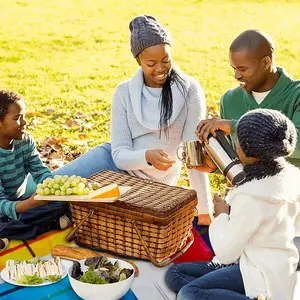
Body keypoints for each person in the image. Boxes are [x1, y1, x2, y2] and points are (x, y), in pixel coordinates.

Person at [51, 15, 213, 224]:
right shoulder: (125, 92)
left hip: (149, 186)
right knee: (49, 190)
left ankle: (60, 217)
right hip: (112, 163)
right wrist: (146, 156)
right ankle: (12, 217)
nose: (160, 69)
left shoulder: (190, 90)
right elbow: (119, 155)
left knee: (76, 211)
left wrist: (205, 210)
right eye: (151, 63)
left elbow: (193, 156)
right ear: (138, 61)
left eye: (166, 60)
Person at [165, 108, 300, 300]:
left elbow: (226, 252)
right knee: (175, 274)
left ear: (245, 149)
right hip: (273, 266)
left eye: (237, 140)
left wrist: (222, 215)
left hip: (260, 275)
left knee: (189, 293)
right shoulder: (291, 177)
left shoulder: (251, 196)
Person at [196, 29, 300, 168]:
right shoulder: (230, 100)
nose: (237, 75)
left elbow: (297, 144)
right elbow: (237, 161)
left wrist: (235, 126)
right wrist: (215, 166)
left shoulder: (296, 95)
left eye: (243, 69)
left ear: (265, 63)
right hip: (248, 188)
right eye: (234, 68)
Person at [0, 90, 70, 251]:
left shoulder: (25, 141)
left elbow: (40, 172)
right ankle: (48, 224)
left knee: (65, 202)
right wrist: (29, 204)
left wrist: (54, 189)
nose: (24, 122)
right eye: (17, 118)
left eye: (23, 116)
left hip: (22, 199)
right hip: (5, 207)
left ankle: (14, 232)